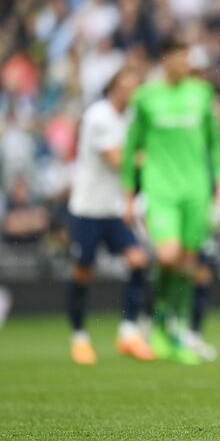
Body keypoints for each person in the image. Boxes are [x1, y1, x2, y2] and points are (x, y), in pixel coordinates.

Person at [121, 41, 220, 365]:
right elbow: (131, 148)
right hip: (161, 191)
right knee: (167, 256)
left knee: (187, 264)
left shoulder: (202, 93)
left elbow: (215, 145)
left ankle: (176, 330)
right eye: (179, 56)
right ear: (165, 59)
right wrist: (128, 195)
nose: (184, 62)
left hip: (196, 190)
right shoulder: (146, 97)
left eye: (187, 57)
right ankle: (158, 318)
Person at [66, 68, 154, 365]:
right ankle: (79, 337)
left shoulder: (131, 117)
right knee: (83, 271)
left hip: (116, 208)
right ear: (114, 88)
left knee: (138, 260)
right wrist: (155, 159)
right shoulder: (99, 116)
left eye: (135, 85)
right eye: (127, 85)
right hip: (88, 207)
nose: (132, 91)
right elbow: (118, 161)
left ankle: (128, 332)